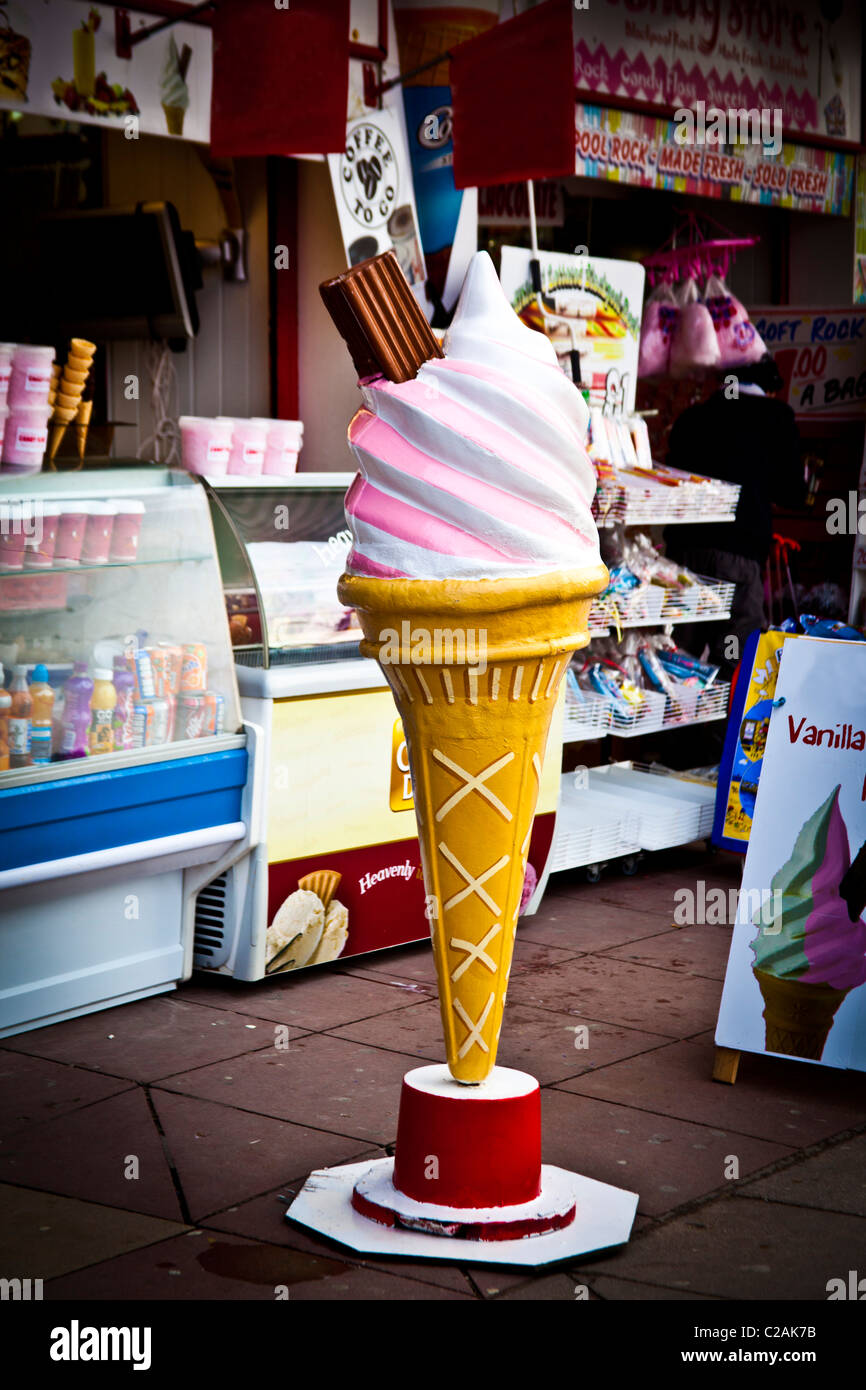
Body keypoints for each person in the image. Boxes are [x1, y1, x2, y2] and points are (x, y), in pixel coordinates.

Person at [663, 353, 805, 680]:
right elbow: (793, 493)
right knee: (735, 659)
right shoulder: (777, 418)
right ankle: (719, 732)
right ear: (769, 386)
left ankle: (673, 729)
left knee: (676, 656)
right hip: (738, 559)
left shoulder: (693, 418)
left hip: (683, 557)